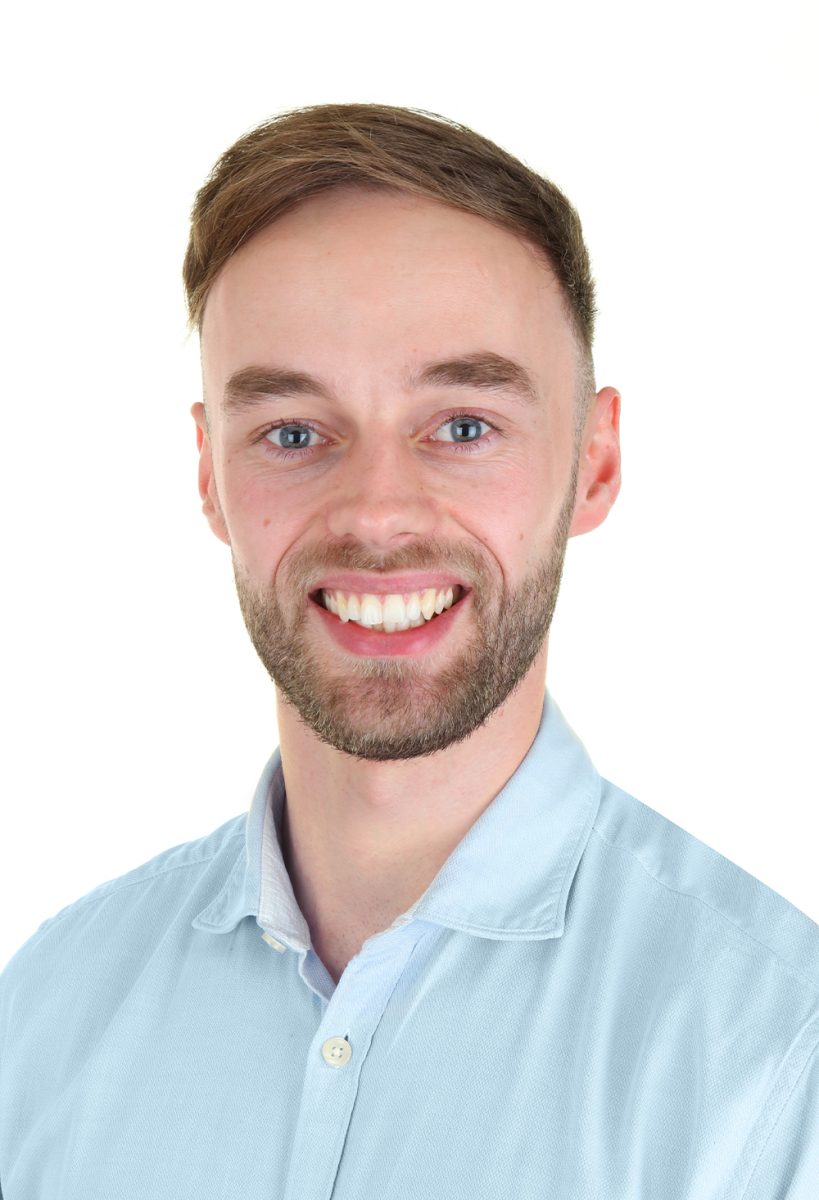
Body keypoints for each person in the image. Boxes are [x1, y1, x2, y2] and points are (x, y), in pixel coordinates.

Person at [0, 103, 816, 1199]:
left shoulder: (775, 1053)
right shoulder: (47, 1011)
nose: (379, 513)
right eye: (294, 433)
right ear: (209, 475)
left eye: (463, 427)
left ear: (597, 460)